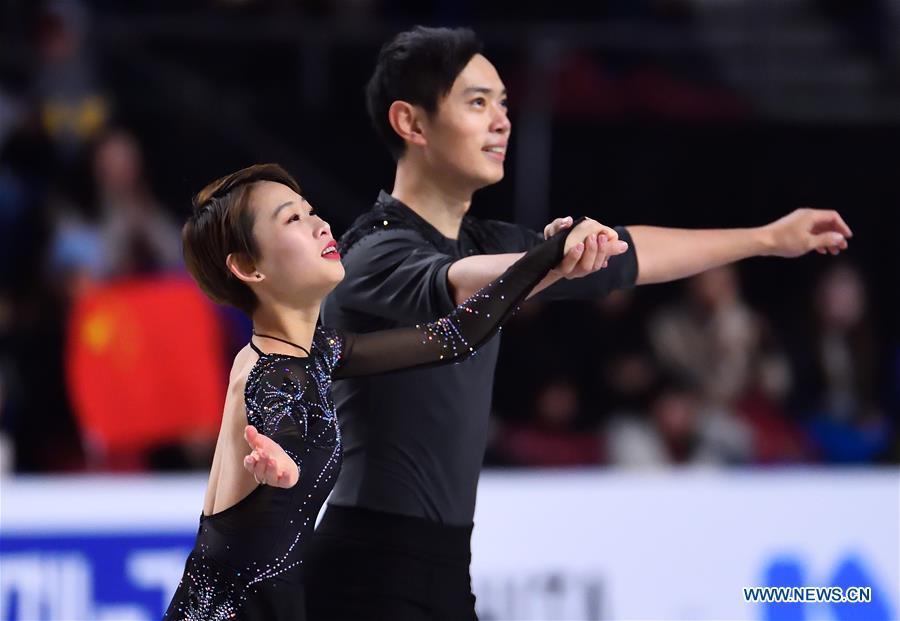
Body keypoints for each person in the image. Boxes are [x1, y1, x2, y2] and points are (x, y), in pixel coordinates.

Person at [301, 26, 853, 620]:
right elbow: (465, 282)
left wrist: (767, 238)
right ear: (411, 123)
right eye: (477, 102)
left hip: (442, 564)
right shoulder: (372, 255)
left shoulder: (480, 240)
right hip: (369, 566)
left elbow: (632, 255)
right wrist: (553, 257)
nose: (502, 121)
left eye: (505, 104)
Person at [162, 162, 608, 620]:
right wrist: (279, 472)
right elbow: (271, 422)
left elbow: (453, 337)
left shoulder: (316, 351)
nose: (320, 224)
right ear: (247, 266)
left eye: (311, 210)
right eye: (292, 219)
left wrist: (550, 258)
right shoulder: (270, 378)